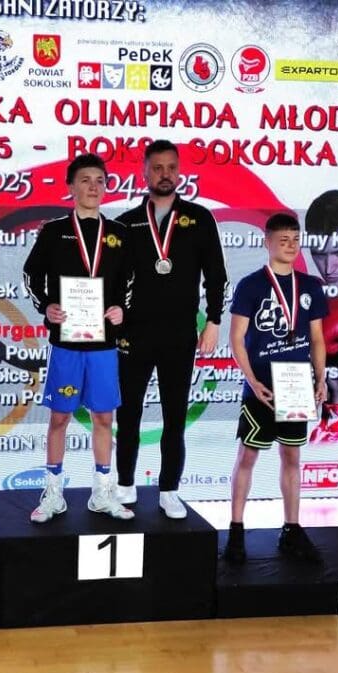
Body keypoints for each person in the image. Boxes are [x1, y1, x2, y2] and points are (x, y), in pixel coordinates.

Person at [114, 139, 228, 517]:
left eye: (171, 168)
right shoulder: (126, 222)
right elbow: (113, 280)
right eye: (157, 168)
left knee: (175, 415)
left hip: (180, 334)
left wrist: (213, 322)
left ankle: (169, 489)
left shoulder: (200, 218)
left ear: (180, 172)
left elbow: (216, 275)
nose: (165, 175)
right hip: (134, 333)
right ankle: (125, 483)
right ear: (144, 172)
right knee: (128, 413)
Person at [22, 153, 131, 522]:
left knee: (104, 419)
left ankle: (102, 493)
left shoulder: (119, 234)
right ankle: (53, 493)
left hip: (103, 346)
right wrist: (46, 306)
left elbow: (130, 283)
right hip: (66, 344)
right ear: (70, 187)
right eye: (85, 180)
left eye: (100, 180)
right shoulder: (54, 231)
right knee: (59, 419)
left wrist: (122, 309)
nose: (93, 187)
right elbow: (31, 275)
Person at [223, 214, 328, 564]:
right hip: (261, 386)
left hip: (296, 385)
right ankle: (236, 529)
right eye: (283, 239)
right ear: (267, 242)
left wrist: (321, 378)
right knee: (247, 455)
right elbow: (236, 338)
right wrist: (252, 381)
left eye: (295, 239)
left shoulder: (310, 286)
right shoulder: (251, 285)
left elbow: (317, 338)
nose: (291, 245)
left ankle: (292, 529)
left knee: (292, 456)